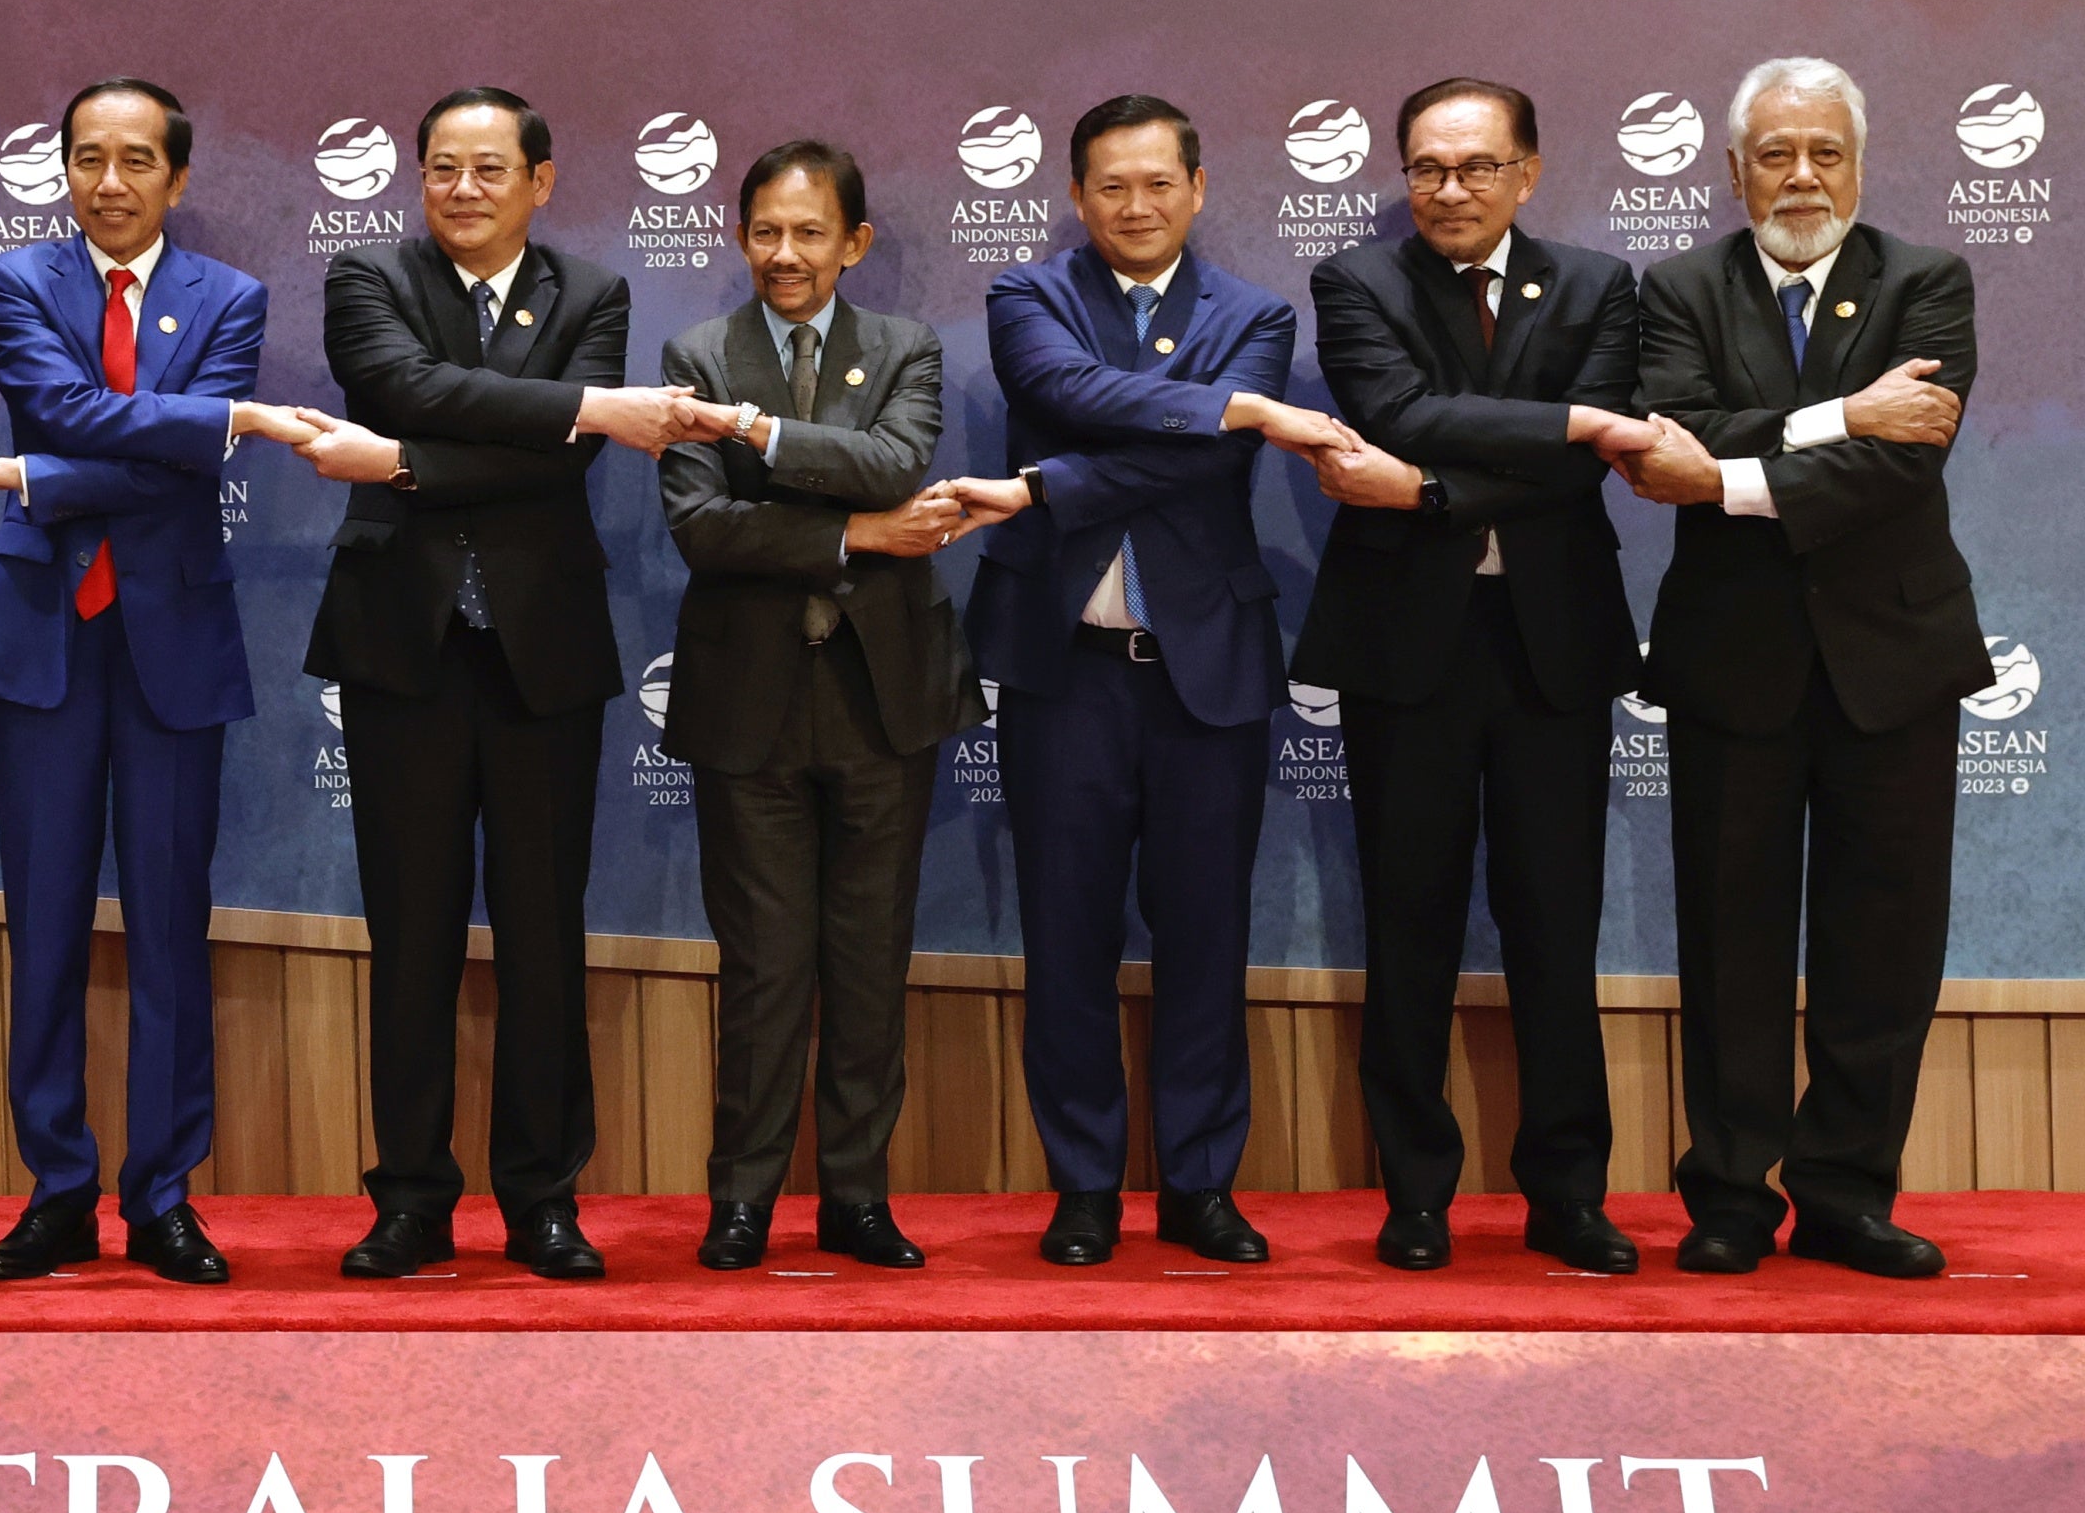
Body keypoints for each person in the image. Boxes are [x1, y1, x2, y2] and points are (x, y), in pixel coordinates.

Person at [291, 86, 722, 1282]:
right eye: (441, 168)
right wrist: (581, 408)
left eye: (488, 170)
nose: (462, 190)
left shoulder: (593, 292)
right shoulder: (369, 279)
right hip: (400, 649)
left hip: (541, 650)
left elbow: (556, 461)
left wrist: (404, 469)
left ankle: (543, 1199)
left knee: (543, 935)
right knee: (410, 934)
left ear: (540, 180)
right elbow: (410, 394)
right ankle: (411, 1201)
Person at [941, 96, 1347, 1268]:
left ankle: (1199, 1185)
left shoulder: (1255, 314)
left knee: (1206, 936)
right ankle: (1082, 1188)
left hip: (1203, 673)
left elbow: (1205, 456)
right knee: (1065, 938)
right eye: (1111, 187)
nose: (1135, 206)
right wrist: (1229, 407)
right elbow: (1061, 393)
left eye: (1158, 184)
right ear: (1076, 195)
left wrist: (1049, 489)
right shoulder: (1028, 298)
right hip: (1061, 670)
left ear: (1198, 188)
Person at [0, 80, 317, 1285]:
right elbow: (63, 408)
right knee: (41, 927)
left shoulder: (232, 298)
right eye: (87, 158)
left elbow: (161, 470)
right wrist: (198, 425)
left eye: (135, 160)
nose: (109, 181)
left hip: (170, 646)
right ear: (62, 170)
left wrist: (32, 476)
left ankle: (162, 1197)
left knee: (167, 930)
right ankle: (55, 1190)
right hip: (43, 636)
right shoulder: (18, 282)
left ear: (177, 178)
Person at [1609, 58, 1984, 1278]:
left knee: (1884, 941)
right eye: (1776, 153)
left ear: (1859, 165)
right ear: (1733, 171)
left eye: (1825, 151)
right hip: (1733, 667)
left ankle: (1844, 1194)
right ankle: (1727, 1196)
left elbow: (1903, 462)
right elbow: (1668, 423)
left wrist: (1722, 480)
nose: (1802, 175)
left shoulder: (1927, 280)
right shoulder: (1674, 288)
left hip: (1895, 660)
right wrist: (1836, 417)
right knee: (1731, 939)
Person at [1293, 79, 1656, 1274]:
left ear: (1528, 172)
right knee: (1410, 926)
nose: (1449, 190)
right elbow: (1396, 409)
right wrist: (1562, 428)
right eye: (1427, 169)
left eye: (1476, 167)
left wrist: (1436, 488)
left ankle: (1568, 1195)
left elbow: (1583, 445)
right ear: (1403, 177)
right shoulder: (1356, 283)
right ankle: (1416, 1195)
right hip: (1406, 649)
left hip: (1551, 646)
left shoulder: (1602, 284)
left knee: (1556, 925)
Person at [655, 140, 985, 1272]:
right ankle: (740, 1198)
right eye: (763, 232)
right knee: (760, 967)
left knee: (864, 958)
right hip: (748, 701)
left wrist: (757, 437)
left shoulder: (907, 347)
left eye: (807, 234)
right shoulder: (694, 351)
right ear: (739, 236)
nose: (783, 256)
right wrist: (850, 533)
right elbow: (703, 530)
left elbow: (897, 463)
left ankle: (855, 1196)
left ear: (854, 244)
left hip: (879, 700)